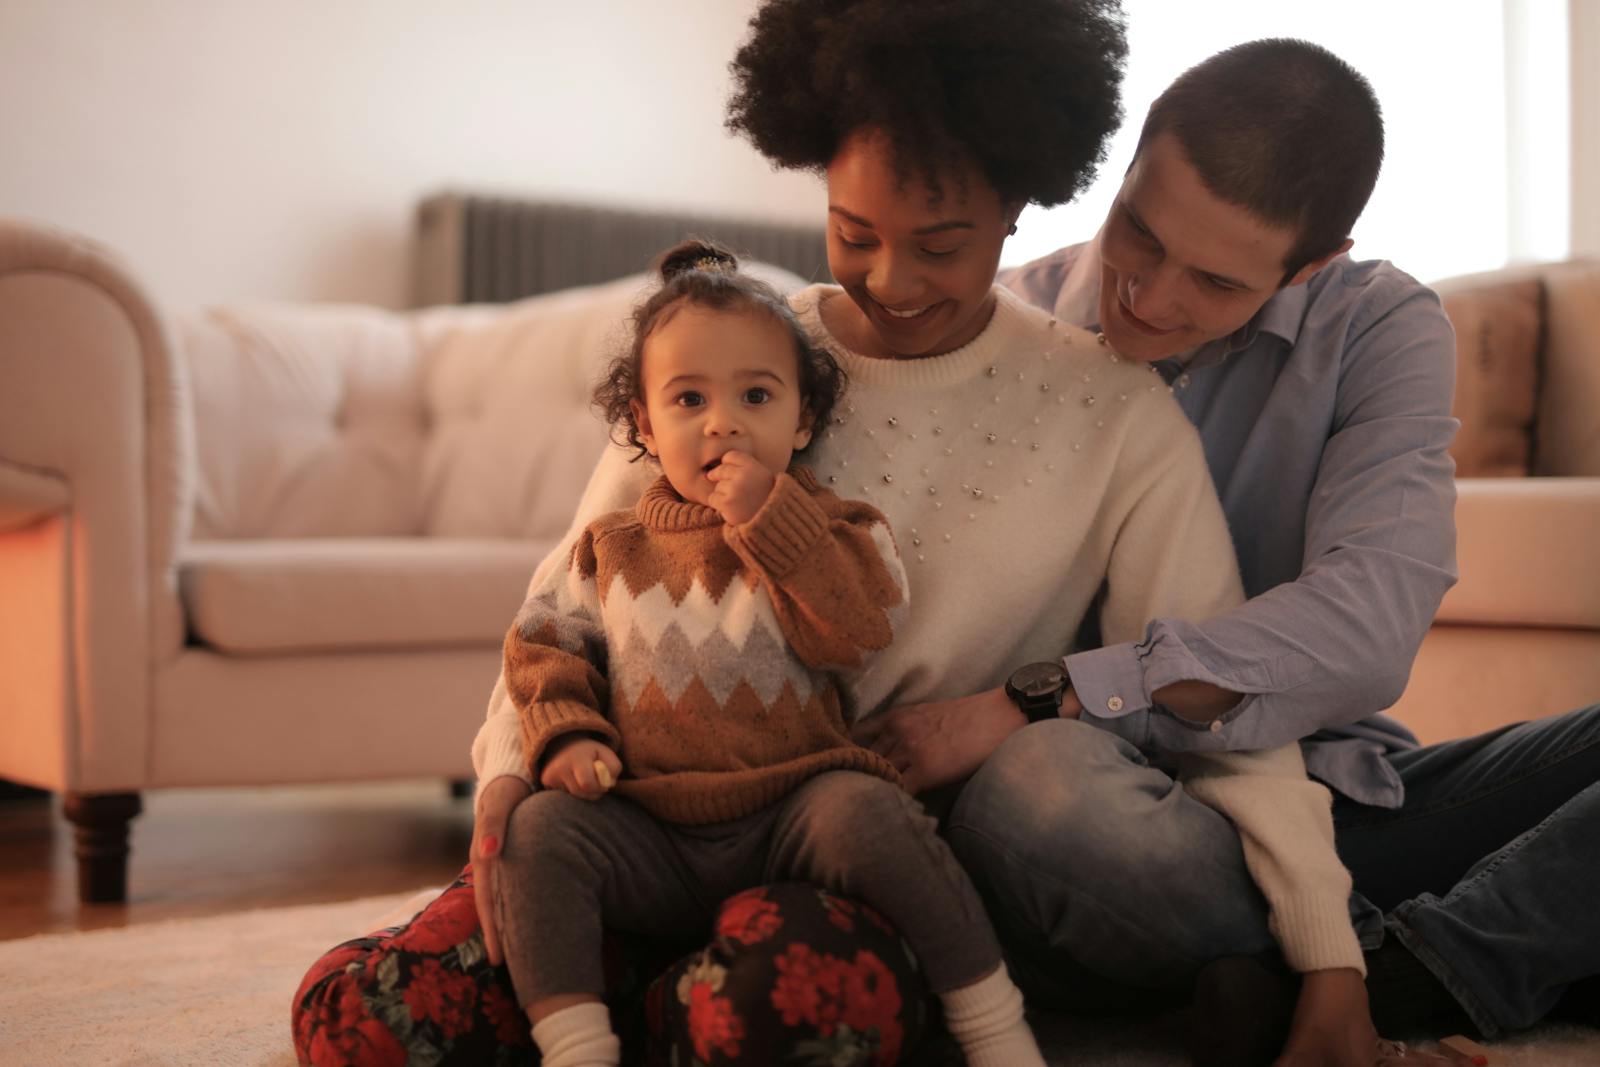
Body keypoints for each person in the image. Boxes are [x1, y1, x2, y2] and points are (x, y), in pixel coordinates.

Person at [288, 7, 1432, 1065]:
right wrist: (506, 778)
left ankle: (673, 997)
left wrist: (1328, 957)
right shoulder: (732, 354)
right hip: (630, 817)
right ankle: (635, 983)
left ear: (1018, 206)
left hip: (852, 850)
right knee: (364, 1024)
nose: (890, 281)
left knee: (772, 1010)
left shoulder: (1116, 412)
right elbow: (568, 594)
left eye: (940, 244)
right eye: (851, 233)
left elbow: (1215, 708)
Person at [835, 35, 1600, 1065]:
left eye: (1215, 281)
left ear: (1309, 264)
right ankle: (1487, 946)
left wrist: (1049, 689)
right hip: (1085, 822)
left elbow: (1369, 626)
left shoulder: (1374, 324)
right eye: (1137, 235)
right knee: (1042, 790)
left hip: (1337, 808)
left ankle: (1404, 976)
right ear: (1125, 167)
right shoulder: (990, 317)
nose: (1147, 297)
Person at [485, 238, 1048, 1067]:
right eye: (688, 399)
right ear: (643, 422)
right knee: (539, 831)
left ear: (804, 417)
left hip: (793, 811)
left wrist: (768, 522)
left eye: (756, 394)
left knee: (872, 812)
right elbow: (542, 647)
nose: (723, 422)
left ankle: (995, 1027)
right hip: (650, 823)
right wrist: (567, 734)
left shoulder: (836, 528)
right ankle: (576, 1046)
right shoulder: (611, 545)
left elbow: (853, 632)